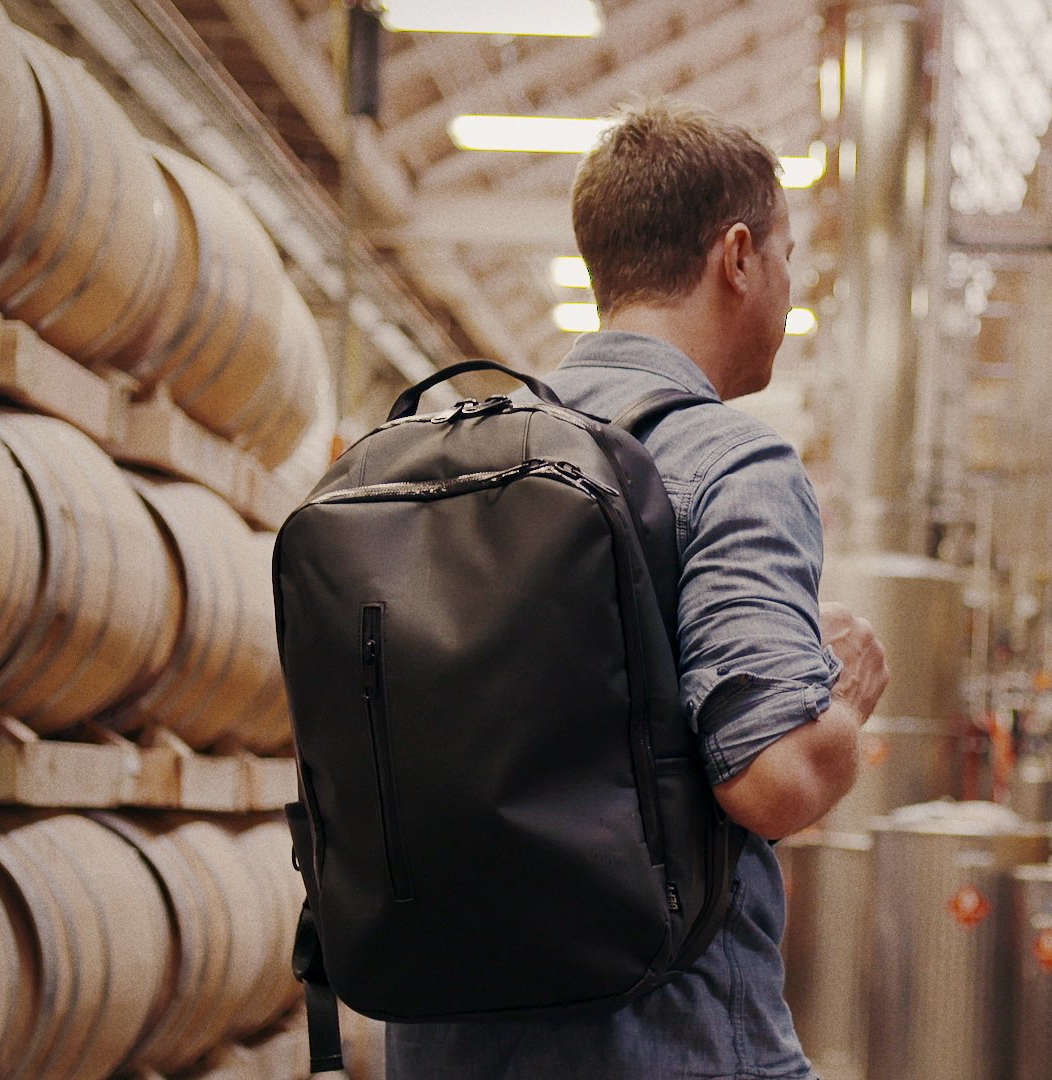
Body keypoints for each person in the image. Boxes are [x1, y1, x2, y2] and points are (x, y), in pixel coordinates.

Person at [385, 100, 891, 1079]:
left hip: (445, 1036)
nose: (788, 289)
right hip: (662, 1043)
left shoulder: (449, 457)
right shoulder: (730, 462)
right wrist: (842, 702)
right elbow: (775, 777)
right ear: (737, 256)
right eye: (788, 255)